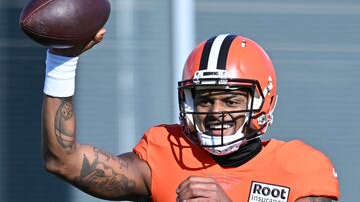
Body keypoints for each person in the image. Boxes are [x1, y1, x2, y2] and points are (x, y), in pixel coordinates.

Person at [42, 30, 339, 202]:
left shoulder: (301, 167)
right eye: (205, 99)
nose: (216, 111)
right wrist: (62, 61)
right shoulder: (166, 149)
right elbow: (63, 160)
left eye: (231, 99)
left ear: (264, 101)